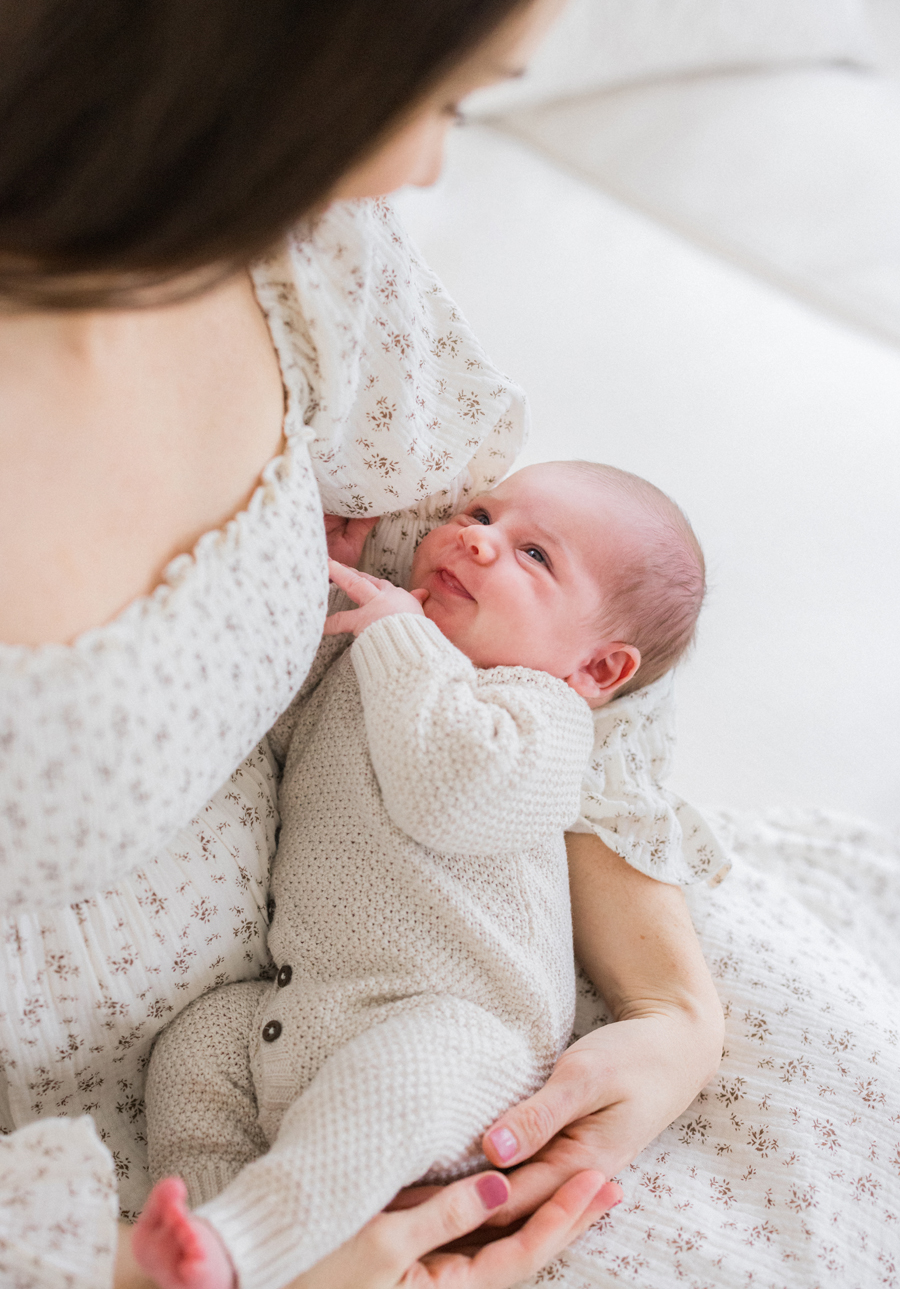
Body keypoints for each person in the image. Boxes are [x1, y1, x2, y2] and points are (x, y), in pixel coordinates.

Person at [0, 0, 727, 1288]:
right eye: (435, 98)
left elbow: (583, 664)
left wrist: (676, 1012)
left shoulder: (299, 249)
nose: (424, 177)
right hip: (106, 1176)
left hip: (443, 1039)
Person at [131, 460, 709, 1289]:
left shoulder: (537, 714)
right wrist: (297, 583)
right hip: (304, 1010)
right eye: (480, 512)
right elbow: (269, 719)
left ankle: (248, 1241)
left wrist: (400, 634)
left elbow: (453, 793)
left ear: (597, 671)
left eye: (534, 555)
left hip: (465, 1041)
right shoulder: (380, 655)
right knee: (197, 1047)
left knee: (405, 1069)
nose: (477, 537)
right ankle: (219, 1231)